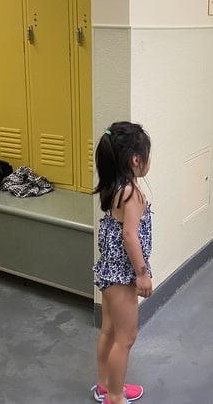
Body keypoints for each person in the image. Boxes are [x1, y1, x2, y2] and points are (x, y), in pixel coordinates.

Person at [91, 121, 153, 404]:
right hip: (123, 275)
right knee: (125, 338)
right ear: (135, 159)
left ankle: (105, 385)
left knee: (109, 331)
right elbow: (129, 236)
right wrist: (142, 273)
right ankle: (114, 397)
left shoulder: (116, 187)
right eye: (147, 155)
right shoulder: (132, 194)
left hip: (108, 272)